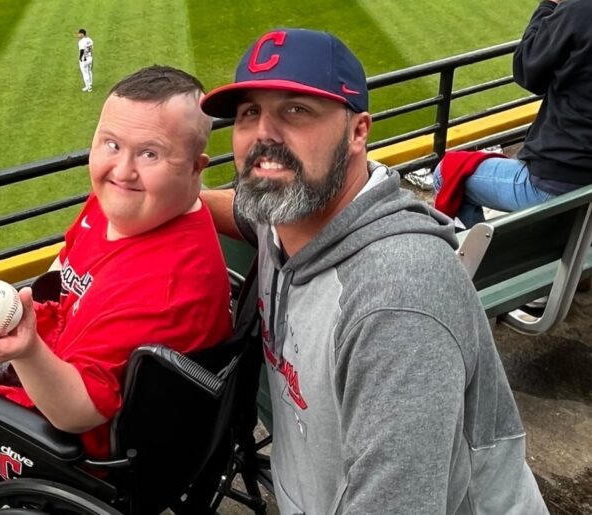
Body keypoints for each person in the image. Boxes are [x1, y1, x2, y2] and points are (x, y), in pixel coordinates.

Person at [199, 28, 548, 514]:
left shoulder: (397, 303)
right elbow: (244, 210)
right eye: (248, 113)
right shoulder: (285, 218)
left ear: (359, 131)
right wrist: (165, 196)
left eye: (296, 110)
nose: (264, 134)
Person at [0, 65, 233, 460]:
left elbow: (78, 413)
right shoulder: (124, 204)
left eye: (150, 153)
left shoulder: (163, 284)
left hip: (82, 449)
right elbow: (65, 270)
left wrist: (26, 351)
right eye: (111, 144)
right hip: (73, 368)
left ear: (195, 168)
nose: (121, 171)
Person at [433, 0, 592, 228]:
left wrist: (549, 5)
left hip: (559, 182)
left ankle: (479, 262)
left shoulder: (579, 10)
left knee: (446, 172)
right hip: (577, 177)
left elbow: (527, 70)